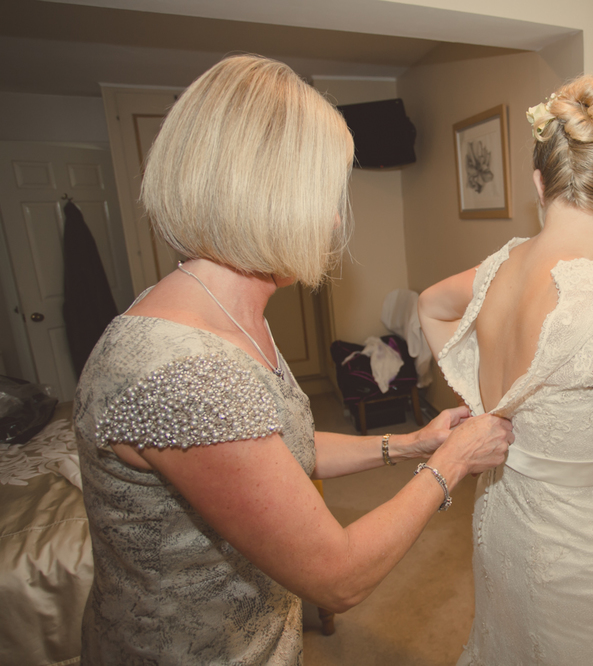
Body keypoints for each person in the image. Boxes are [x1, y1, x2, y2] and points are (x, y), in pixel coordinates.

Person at [73, 55, 513, 665]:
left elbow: (275, 450)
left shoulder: (223, 310)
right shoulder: (185, 372)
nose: (335, 219)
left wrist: (408, 444)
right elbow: (338, 576)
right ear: (269, 199)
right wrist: (452, 464)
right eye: (327, 196)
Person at [419, 76, 593, 665]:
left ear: (540, 182)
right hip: (578, 560)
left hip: (502, 520)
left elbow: (431, 305)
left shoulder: (500, 267)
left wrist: (487, 407)